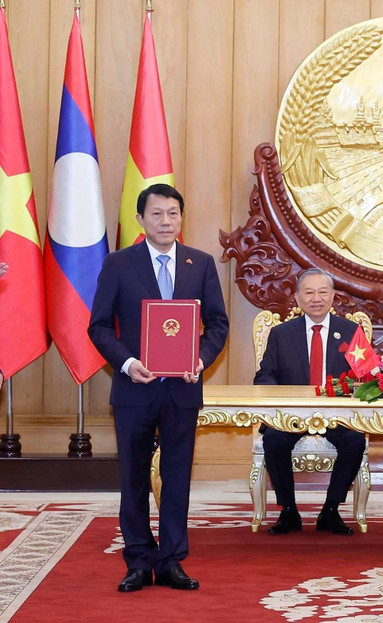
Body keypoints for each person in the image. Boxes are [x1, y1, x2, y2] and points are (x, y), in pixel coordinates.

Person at [88, 184, 228, 593]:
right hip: (134, 389)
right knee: (132, 478)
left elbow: (217, 324)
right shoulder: (118, 264)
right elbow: (98, 326)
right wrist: (129, 364)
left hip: (182, 390)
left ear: (182, 219)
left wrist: (200, 359)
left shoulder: (199, 263)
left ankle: (171, 561)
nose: (166, 221)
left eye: (173, 214)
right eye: (157, 214)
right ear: (140, 219)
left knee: (177, 476)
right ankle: (137, 560)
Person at [254, 268, 366, 536]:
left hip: (337, 414)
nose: (316, 298)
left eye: (323, 292)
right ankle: (289, 511)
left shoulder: (350, 331)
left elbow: (365, 377)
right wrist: (281, 399)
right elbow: (265, 375)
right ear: (297, 298)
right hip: (291, 413)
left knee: (355, 441)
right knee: (273, 439)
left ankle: (330, 511)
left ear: (333, 296)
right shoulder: (281, 333)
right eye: (309, 292)